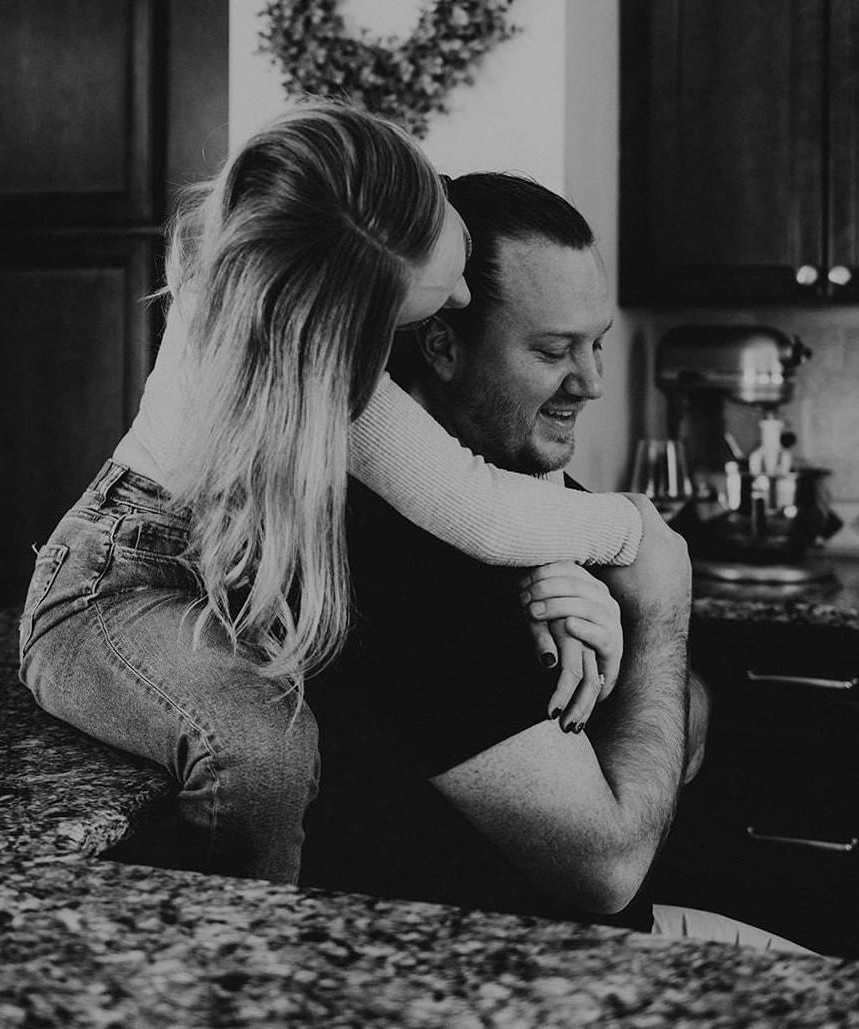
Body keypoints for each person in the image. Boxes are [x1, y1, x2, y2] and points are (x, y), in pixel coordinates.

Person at [17, 102, 655, 887]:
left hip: (215, 581)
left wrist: (554, 562)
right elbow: (474, 507)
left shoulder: (370, 217)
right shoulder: (292, 350)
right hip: (115, 584)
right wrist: (638, 531)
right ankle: (242, 953)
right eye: (422, 307)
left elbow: (491, 493)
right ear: (344, 324)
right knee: (259, 753)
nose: (459, 300)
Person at [301, 172, 811, 953]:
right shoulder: (404, 558)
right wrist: (660, 606)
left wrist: (625, 652)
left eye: (595, 343)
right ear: (441, 344)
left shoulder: (537, 497)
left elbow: (688, 735)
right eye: (551, 350)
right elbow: (608, 867)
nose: (593, 381)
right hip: (501, 967)